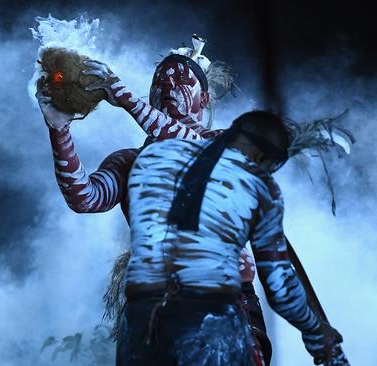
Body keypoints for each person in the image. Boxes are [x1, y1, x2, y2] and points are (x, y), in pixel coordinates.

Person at [35, 36, 272, 364]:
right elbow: (84, 197)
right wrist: (58, 129)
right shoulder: (130, 161)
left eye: (180, 81)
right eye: (160, 81)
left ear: (202, 100)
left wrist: (126, 98)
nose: (167, 87)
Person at [119, 110, 349, 365]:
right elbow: (280, 288)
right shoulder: (259, 188)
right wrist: (317, 334)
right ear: (262, 157)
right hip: (206, 328)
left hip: (140, 325)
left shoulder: (150, 159)